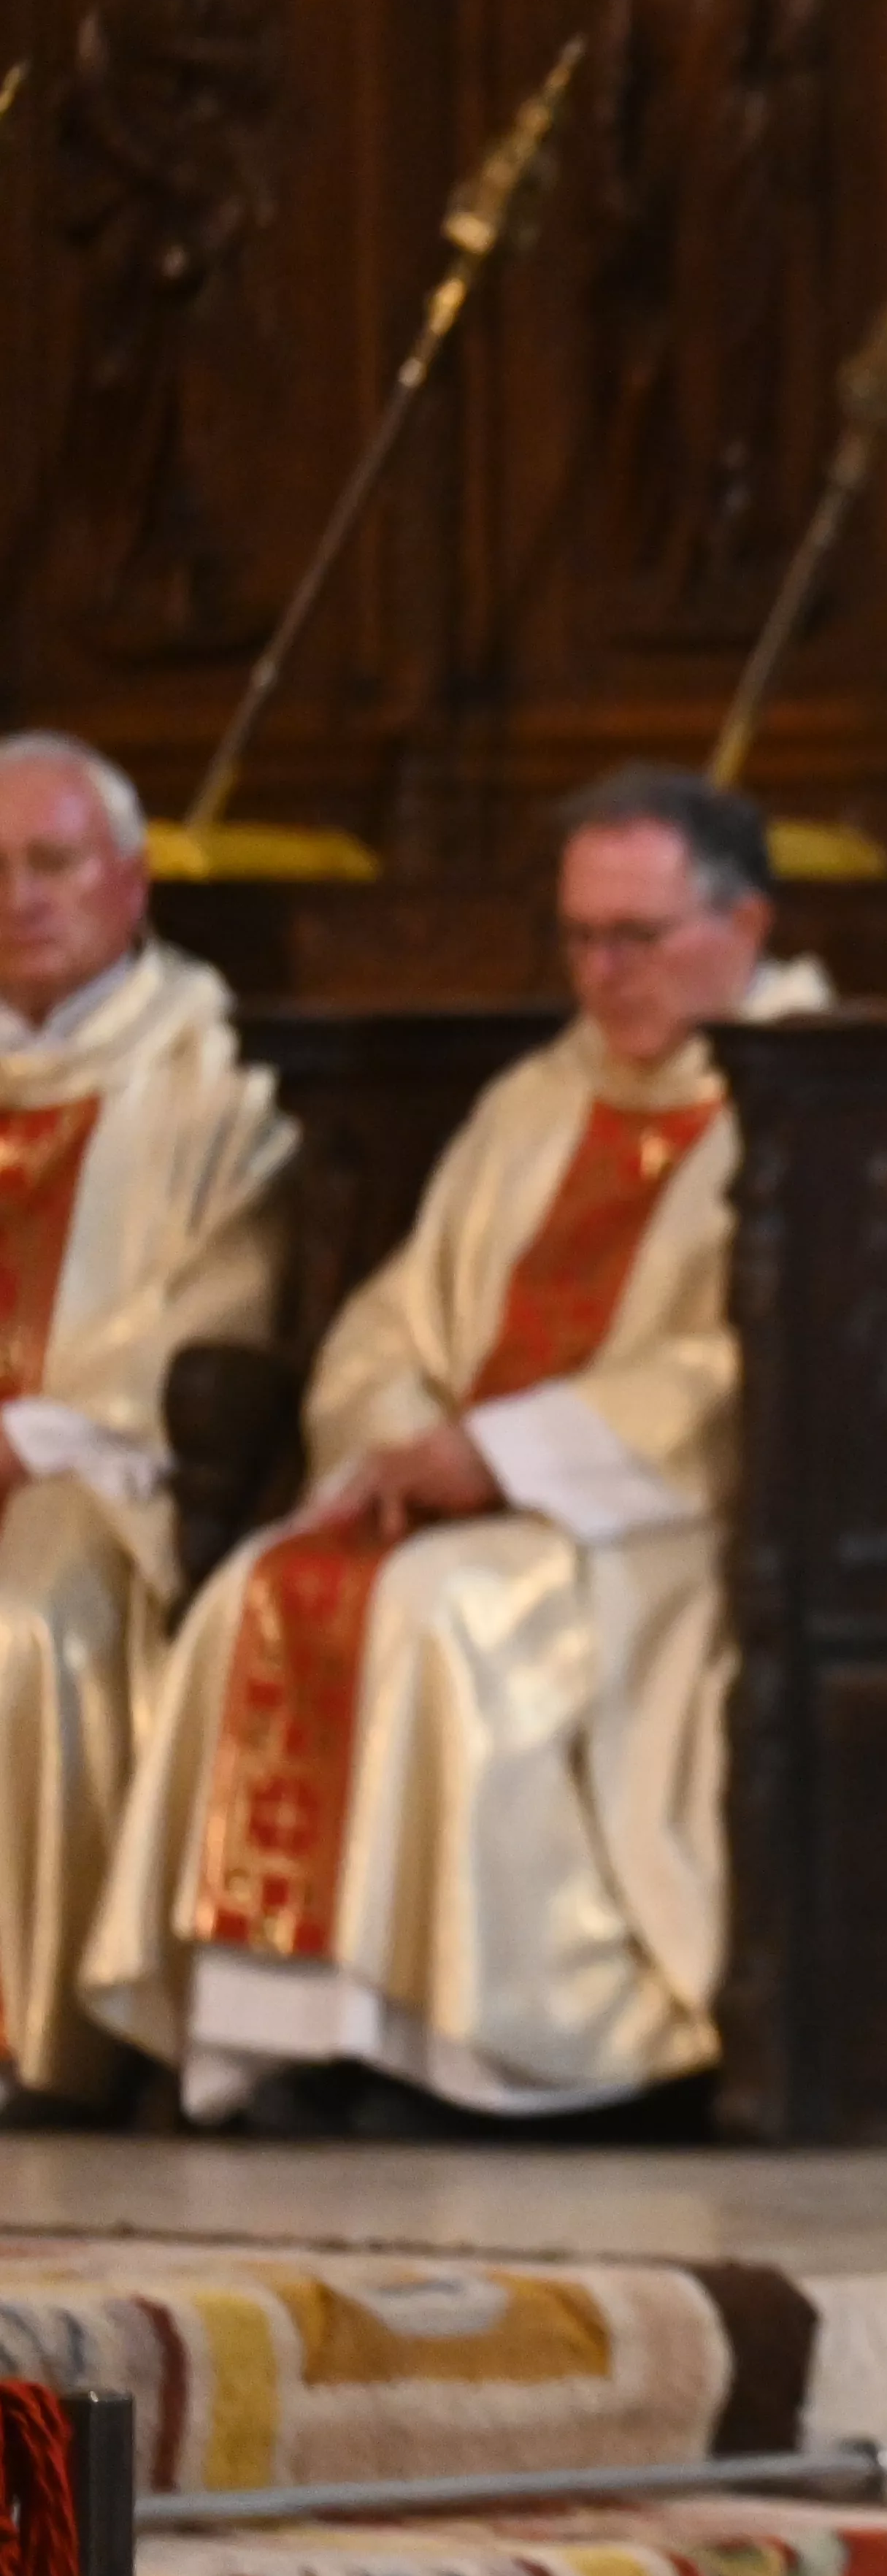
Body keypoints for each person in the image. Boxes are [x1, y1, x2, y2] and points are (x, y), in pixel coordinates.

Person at [87, 767, 830, 2125]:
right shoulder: (539, 1098)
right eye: (581, 938)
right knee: (266, 1584)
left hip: (651, 1518)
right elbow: (395, 1318)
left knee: (447, 1616)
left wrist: (505, 1459)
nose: (603, 973)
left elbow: (739, 1374)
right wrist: (396, 1452)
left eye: (637, 938)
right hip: (463, 1491)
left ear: (746, 923)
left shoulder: (811, 1098)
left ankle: (479, 2048)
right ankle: (288, 2037)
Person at [0, 735, 295, 2114]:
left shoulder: (212, 1066)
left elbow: (217, 1291)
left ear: (132, 879)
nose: (20, 896)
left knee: (25, 1619)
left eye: (51, 863)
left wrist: (40, 1429)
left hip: (95, 1466)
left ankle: (34, 2038)